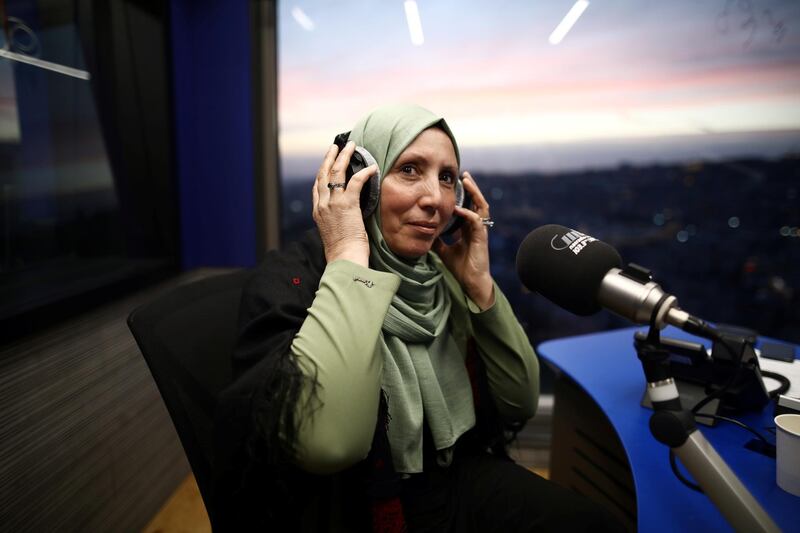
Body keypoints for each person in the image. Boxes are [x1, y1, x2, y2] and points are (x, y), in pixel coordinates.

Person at [212, 104, 622, 532]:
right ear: (359, 181)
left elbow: (519, 401)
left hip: (453, 476)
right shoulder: (292, 280)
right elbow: (329, 446)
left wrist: (479, 284)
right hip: (349, 504)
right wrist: (349, 259)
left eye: (447, 177)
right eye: (409, 170)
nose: (436, 200)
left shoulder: (441, 275)